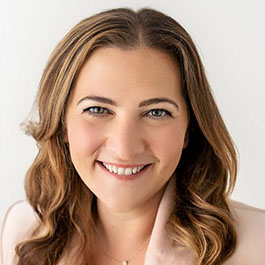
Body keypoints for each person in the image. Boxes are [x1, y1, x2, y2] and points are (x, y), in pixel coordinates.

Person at [0, 7, 265, 265]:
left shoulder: (257, 247)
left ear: (190, 129)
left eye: (156, 113)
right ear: (63, 123)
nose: (125, 149)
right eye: (97, 109)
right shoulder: (21, 234)